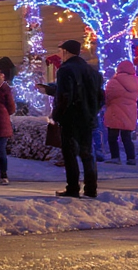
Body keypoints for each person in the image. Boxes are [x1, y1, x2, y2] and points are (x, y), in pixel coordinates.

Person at [52, 39, 105, 198]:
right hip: (88, 118)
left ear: (66, 51)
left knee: (70, 154)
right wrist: (92, 111)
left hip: (71, 117)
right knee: (87, 153)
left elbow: (65, 95)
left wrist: (57, 115)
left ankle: (73, 187)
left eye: (61, 51)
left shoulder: (65, 70)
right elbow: (101, 97)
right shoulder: (92, 71)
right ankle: (91, 188)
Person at [104, 60, 138, 166]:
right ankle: (131, 158)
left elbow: (108, 96)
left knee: (112, 136)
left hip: (115, 110)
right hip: (130, 111)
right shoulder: (137, 82)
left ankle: (115, 157)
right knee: (127, 136)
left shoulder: (114, 81)